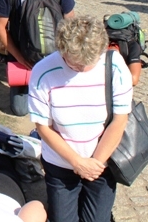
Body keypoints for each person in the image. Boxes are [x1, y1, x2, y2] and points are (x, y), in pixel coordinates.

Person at [29, 16, 132, 222]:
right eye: (74, 64)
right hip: (61, 164)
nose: (82, 70)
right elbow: (43, 127)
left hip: (101, 164)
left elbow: (119, 121)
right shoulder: (43, 71)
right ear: (61, 49)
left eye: (88, 64)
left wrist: (93, 164)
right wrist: (76, 162)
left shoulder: (114, 66)